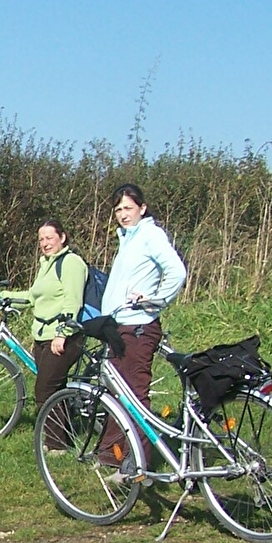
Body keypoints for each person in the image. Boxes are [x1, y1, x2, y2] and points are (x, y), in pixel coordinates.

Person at [97, 182, 187, 468]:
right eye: (118, 209)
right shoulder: (128, 238)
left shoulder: (150, 235)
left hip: (139, 328)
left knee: (135, 397)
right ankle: (112, 457)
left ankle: (139, 465)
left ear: (142, 208)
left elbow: (176, 271)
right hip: (119, 328)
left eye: (129, 208)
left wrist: (154, 300)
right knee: (116, 394)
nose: (123, 214)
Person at [0, 220, 87, 451]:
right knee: (54, 387)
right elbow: (32, 296)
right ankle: (64, 436)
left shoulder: (71, 263)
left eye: (49, 238)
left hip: (62, 337)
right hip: (42, 336)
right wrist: (0, 296)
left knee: (45, 388)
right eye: (41, 239)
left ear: (63, 238)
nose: (45, 243)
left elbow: (73, 301)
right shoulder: (46, 264)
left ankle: (56, 445)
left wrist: (63, 334)